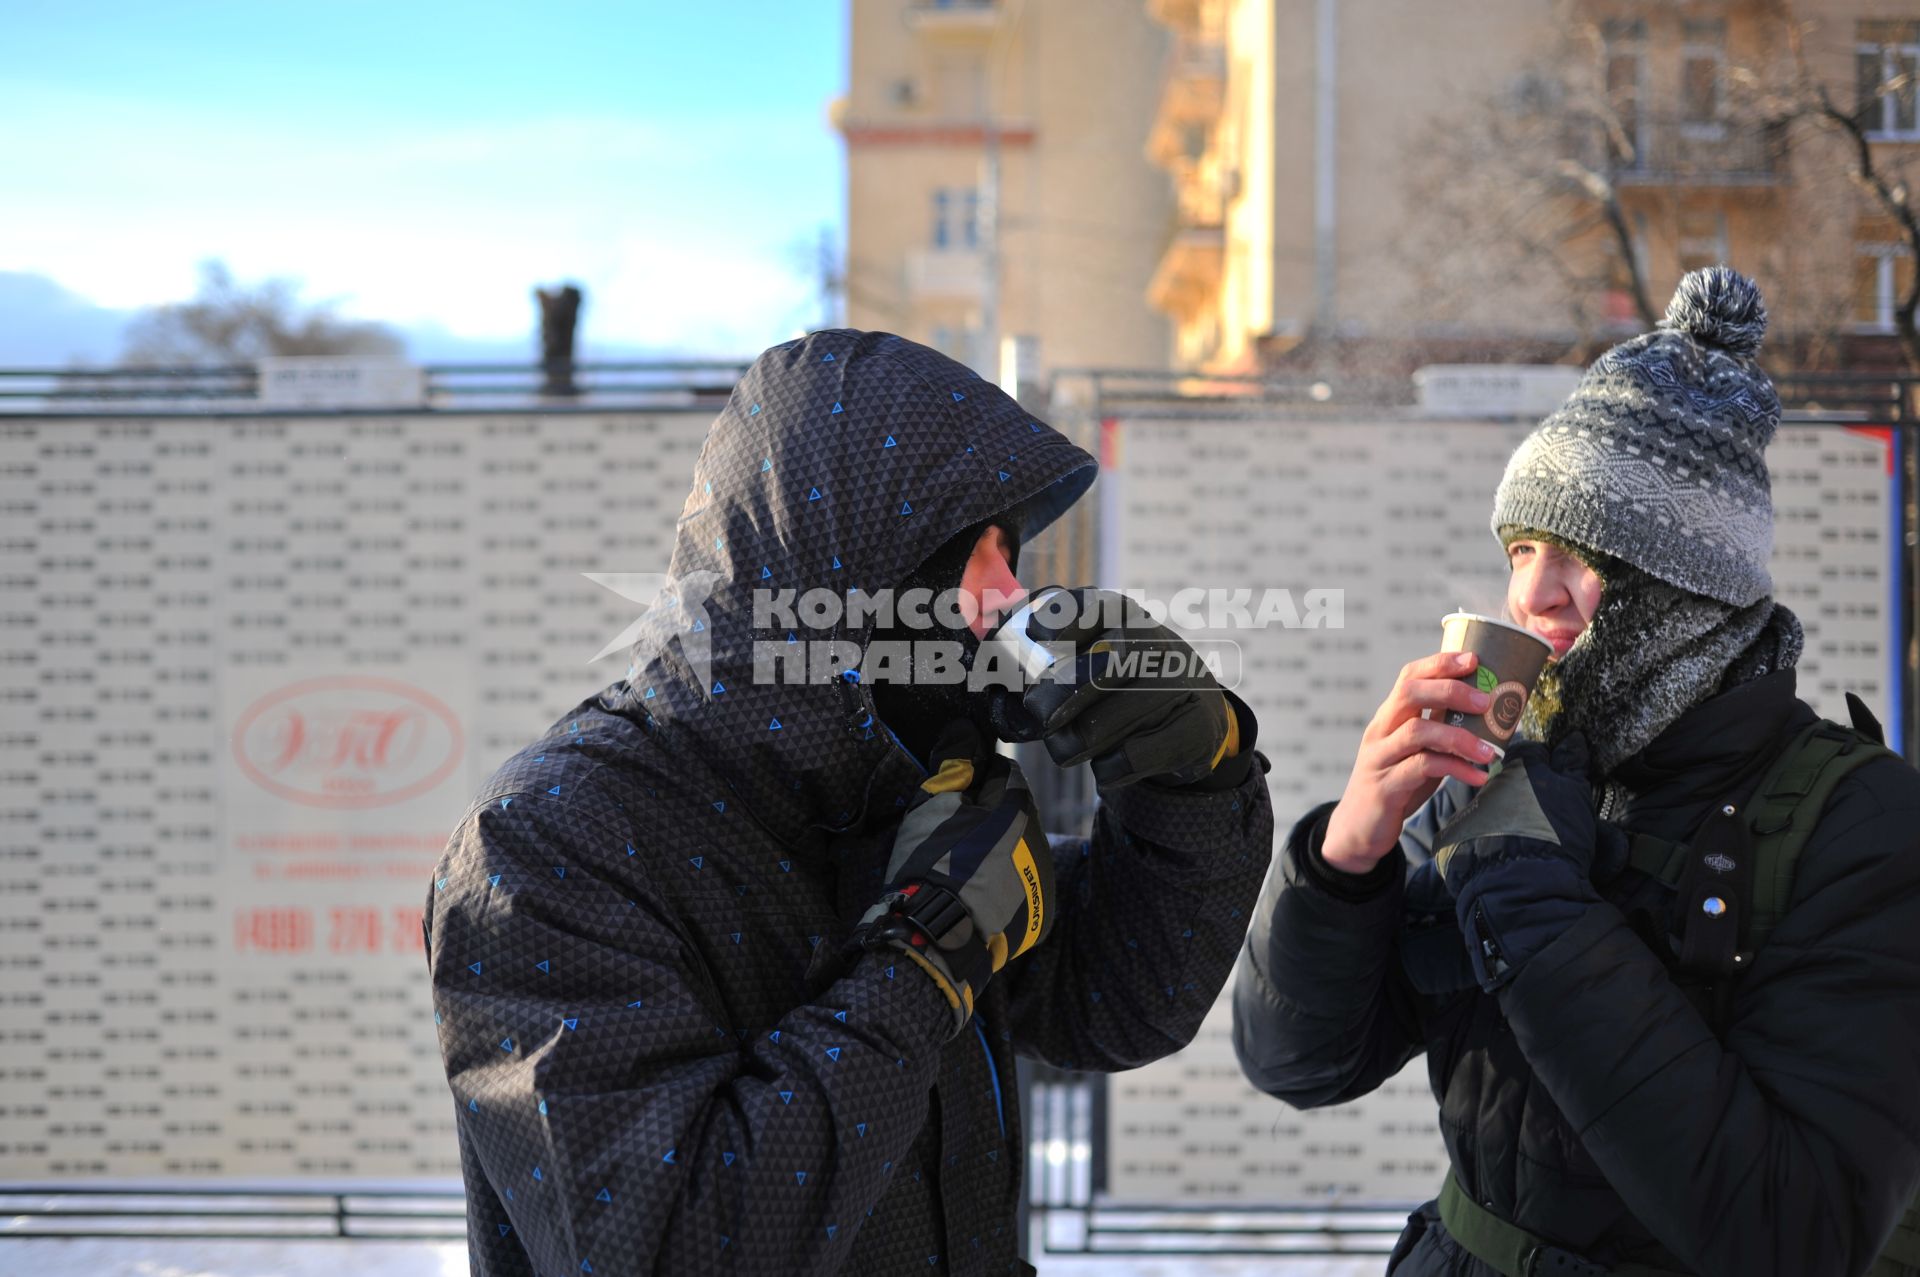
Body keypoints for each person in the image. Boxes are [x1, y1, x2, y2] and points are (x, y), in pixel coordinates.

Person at [426, 330, 1274, 1276]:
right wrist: (923, 957)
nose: (1011, 591)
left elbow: (1126, 999)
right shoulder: (549, 844)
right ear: (853, 566)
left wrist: (1196, 775)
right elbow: (671, 1247)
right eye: (979, 548)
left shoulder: (904, 800)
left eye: (1013, 548)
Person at [1232, 268, 1920, 1276]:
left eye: (1581, 553)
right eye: (1520, 546)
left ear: (1688, 586)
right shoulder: (1518, 769)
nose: (1532, 591)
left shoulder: (1861, 825)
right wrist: (1349, 858)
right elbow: (1298, 1059)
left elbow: (1794, 1230)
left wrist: (1525, 886)